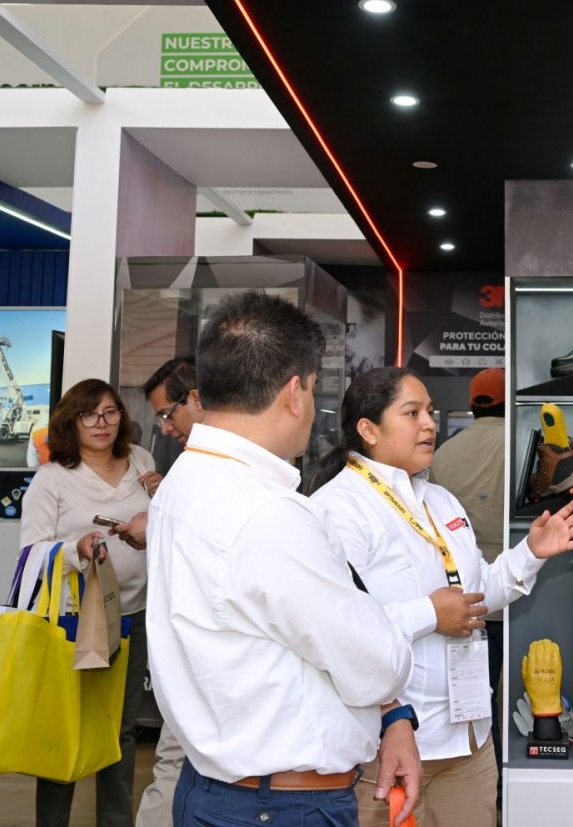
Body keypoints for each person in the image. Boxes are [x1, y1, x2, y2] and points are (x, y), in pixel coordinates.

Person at [145, 291, 420, 827]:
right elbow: (376, 663)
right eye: (313, 388)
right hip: (280, 806)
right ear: (295, 392)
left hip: (221, 789)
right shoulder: (266, 513)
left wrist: (392, 717)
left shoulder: (185, 481)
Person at [311, 367, 573, 827]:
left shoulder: (441, 501)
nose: (429, 423)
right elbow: (336, 630)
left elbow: (476, 596)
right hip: (386, 746)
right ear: (368, 429)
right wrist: (429, 614)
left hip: (468, 743)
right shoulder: (336, 508)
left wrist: (531, 553)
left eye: (431, 411)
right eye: (412, 413)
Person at [20, 379, 156, 827]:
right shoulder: (52, 478)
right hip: (73, 621)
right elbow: (31, 553)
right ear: (71, 421)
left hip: (133, 614)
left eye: (110, 412)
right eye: (89, 414)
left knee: (121, 729)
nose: (102, 423)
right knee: (65, 727)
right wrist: (75, 550)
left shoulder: (142, 461)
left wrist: (160, 500)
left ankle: (115, 821)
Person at [423, 368, 508, 769]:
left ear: (474, 406)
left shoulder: (443, 454)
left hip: (460, 601)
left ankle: (480, 768)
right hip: (512, 591)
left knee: (473, 697)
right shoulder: (521, 443)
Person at [132, 356, 201, 827]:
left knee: (177, 764)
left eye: (167, 413)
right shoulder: (192, 468)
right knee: (175, 762)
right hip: (188, 647)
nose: (165, 427)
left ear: (195, 398)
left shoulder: (205, 468)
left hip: (202, 649)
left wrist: (152, 525)